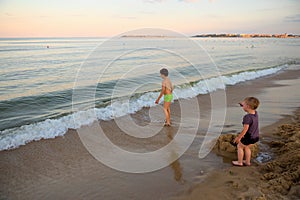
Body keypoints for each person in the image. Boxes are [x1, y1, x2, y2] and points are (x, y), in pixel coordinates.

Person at [232, 97, 260, 166]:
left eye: (243, 105)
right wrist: (243, 104)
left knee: (240, 147)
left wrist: (239, 137)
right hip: (256, 137)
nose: (242, 106)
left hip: (249, 137)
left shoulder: (247, 117)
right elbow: (249, 106)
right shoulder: (255, 113)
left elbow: (245, 129)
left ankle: (240, 162)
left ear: (248, 106)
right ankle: (247, 162)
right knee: (247, 147)